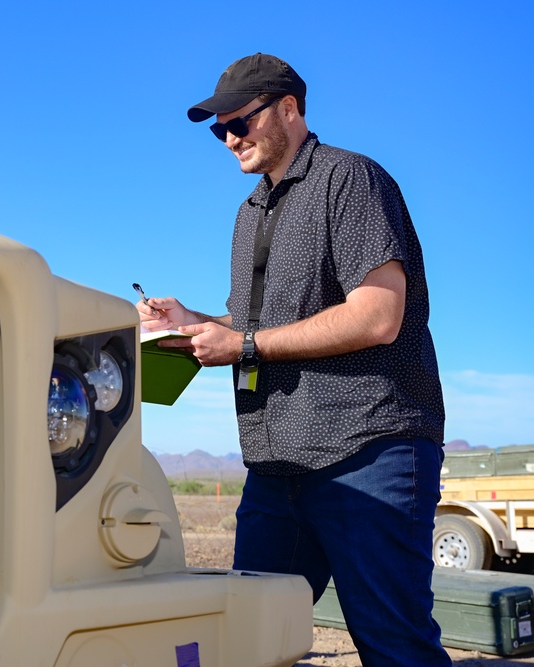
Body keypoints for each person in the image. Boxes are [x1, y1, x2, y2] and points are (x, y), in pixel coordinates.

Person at [138, 53, 449, 666]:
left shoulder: (350, 179)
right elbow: (254, 323)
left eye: (240, 123)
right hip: (276, 463)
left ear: (289, 109)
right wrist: (194, 323)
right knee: (250, 644)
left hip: (370, 451)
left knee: (394, 644)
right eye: (218, 130)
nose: (229, 139)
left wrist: (244, 346)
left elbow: (377, 315)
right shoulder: (249, 213)